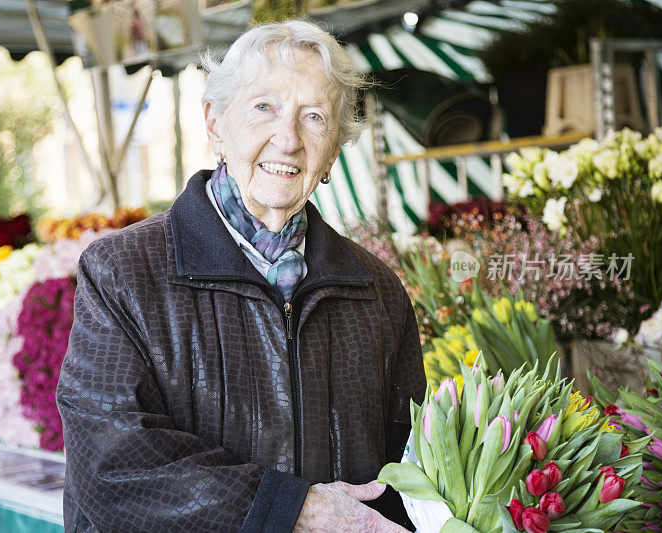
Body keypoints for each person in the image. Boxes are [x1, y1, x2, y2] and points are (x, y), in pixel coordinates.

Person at [57, 19, 426, 532]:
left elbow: (410, 471)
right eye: (264, 108)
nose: (288, 139)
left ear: (334, 150)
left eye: (314, 117)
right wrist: (289, 508)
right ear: (214, 124)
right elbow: (112, 465)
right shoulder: (121, 272)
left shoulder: (377, 291)